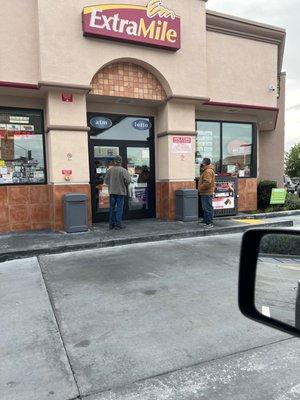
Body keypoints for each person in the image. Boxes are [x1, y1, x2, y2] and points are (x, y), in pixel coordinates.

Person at [104, 155, 131, 230]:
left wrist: (111, 184)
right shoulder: (123, 170)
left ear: (114, 162)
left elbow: (106, 181)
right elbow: (128, 180)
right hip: (120, 192)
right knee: (119, 208)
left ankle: (111, 224)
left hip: (112, 192)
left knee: (111, 208)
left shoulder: (110, 170)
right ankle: (118, 224)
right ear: (121, 161)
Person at [199, 157, 215, 229]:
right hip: (206, 192)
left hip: (206, 192)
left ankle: (209, 223)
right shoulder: (207, 170)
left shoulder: (208, 171)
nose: (201, 163)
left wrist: (200, 188)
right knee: (206, 207)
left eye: (202, 161)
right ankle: (206, 221)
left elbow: (207, 182)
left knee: (207, 208)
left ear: (204, 163)